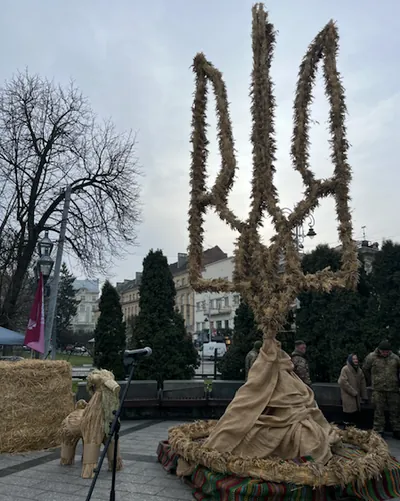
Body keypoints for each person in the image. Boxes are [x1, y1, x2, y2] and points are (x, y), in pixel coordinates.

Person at [363, 340, 400, 438]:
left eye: (387, 351)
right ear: (379, 350)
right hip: (378, 389)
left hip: (393, 389)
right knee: (378, 411)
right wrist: (372, 381)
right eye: (384, 351)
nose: (385, 353)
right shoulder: (371, 357)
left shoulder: (395, 358)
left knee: (395, 411)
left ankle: (397, 430)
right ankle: (379, 431)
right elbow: (365, 369)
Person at [338, 354, 367, 428]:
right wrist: (353, 392)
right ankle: (347, 431)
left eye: (356, 359)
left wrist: (364, 396)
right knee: (348, 414)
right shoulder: (345, 369)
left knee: (355, 415)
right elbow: (342, 382)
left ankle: (354, 433)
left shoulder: (359, 371)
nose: (356, 360)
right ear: (350, 360)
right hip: (348, 396)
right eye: (354, 359)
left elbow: (363, 384)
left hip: (356, 397)